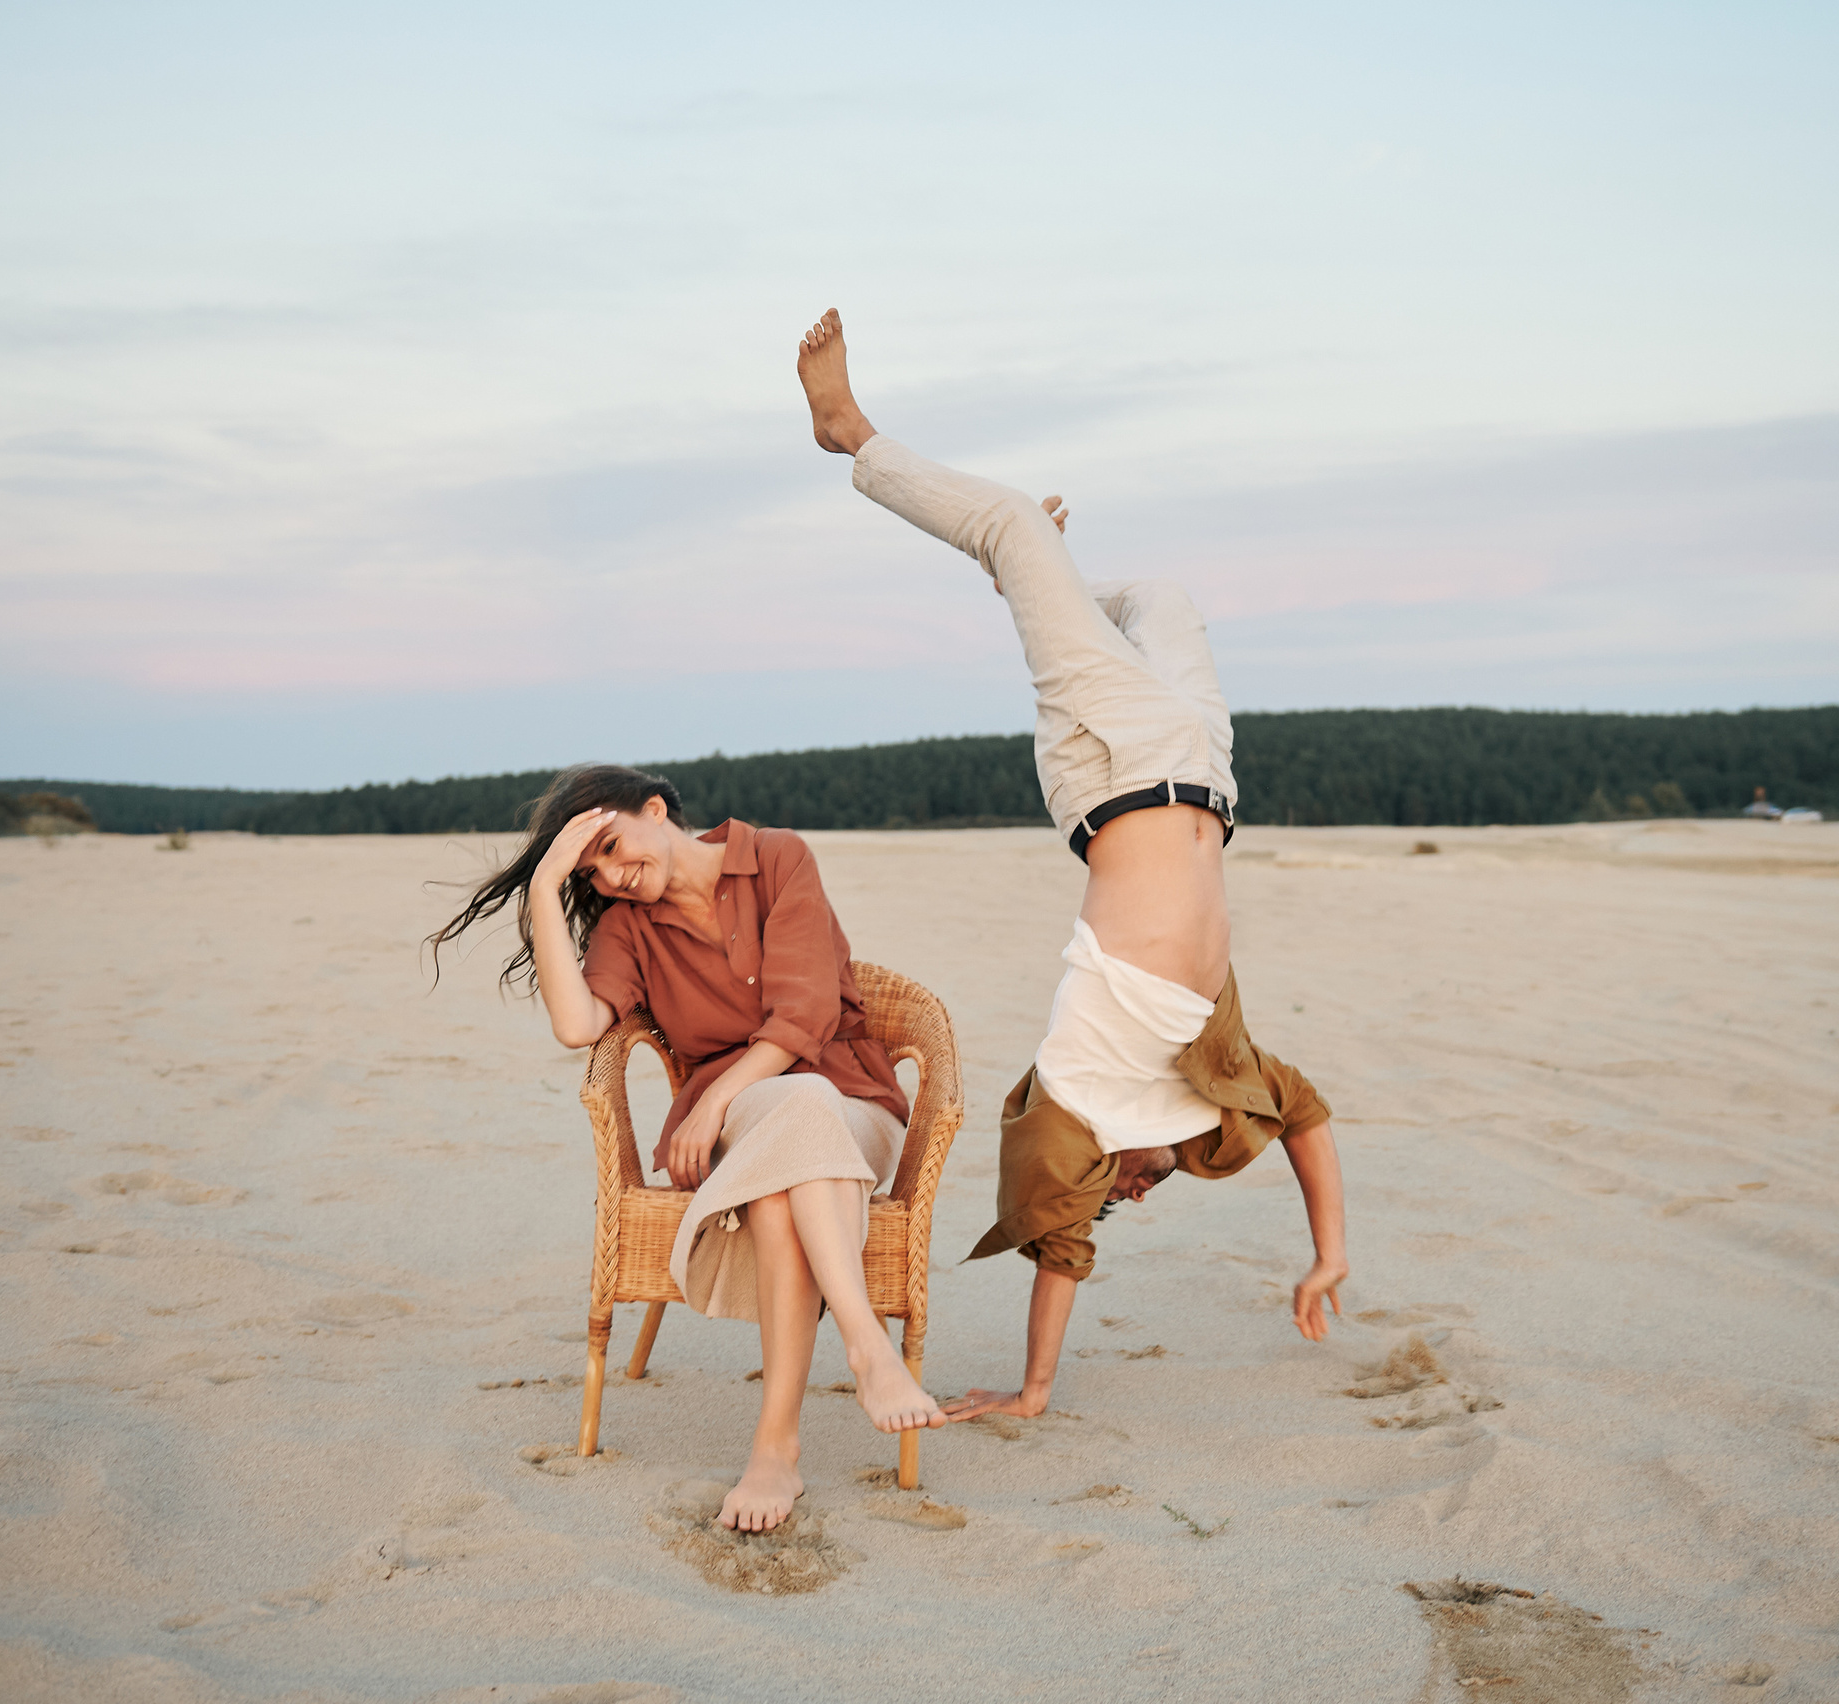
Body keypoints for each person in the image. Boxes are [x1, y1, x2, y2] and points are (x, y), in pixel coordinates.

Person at [793, 309, 1349, 1426]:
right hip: (1204, 773)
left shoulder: (1077, 1106)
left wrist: (1034, 1389)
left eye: (1112, 1198)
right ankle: (1043, 583)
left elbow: (1058, 1247)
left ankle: (851, 434)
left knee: (1009, 524)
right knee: (1161, 600)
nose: (1132, 1197)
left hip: (1113, 768)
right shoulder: (1215, 1109)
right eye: (1136, 1195)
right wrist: (1328, 1252)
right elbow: (1309, 1117)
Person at [431, 764, 944, 1532]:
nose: (611, 876)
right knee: (789, 1136)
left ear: (654, 808)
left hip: (850, 1104)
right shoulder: (625, 929)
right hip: (741, 1129)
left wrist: (712, 1100)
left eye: (610, 846)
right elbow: (577, 1025)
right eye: (589, 872)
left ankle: (778, 1448)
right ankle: (862, 1351)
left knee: (800, 1122)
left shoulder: (777, 858)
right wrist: (542, 888)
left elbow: (804, 1015)